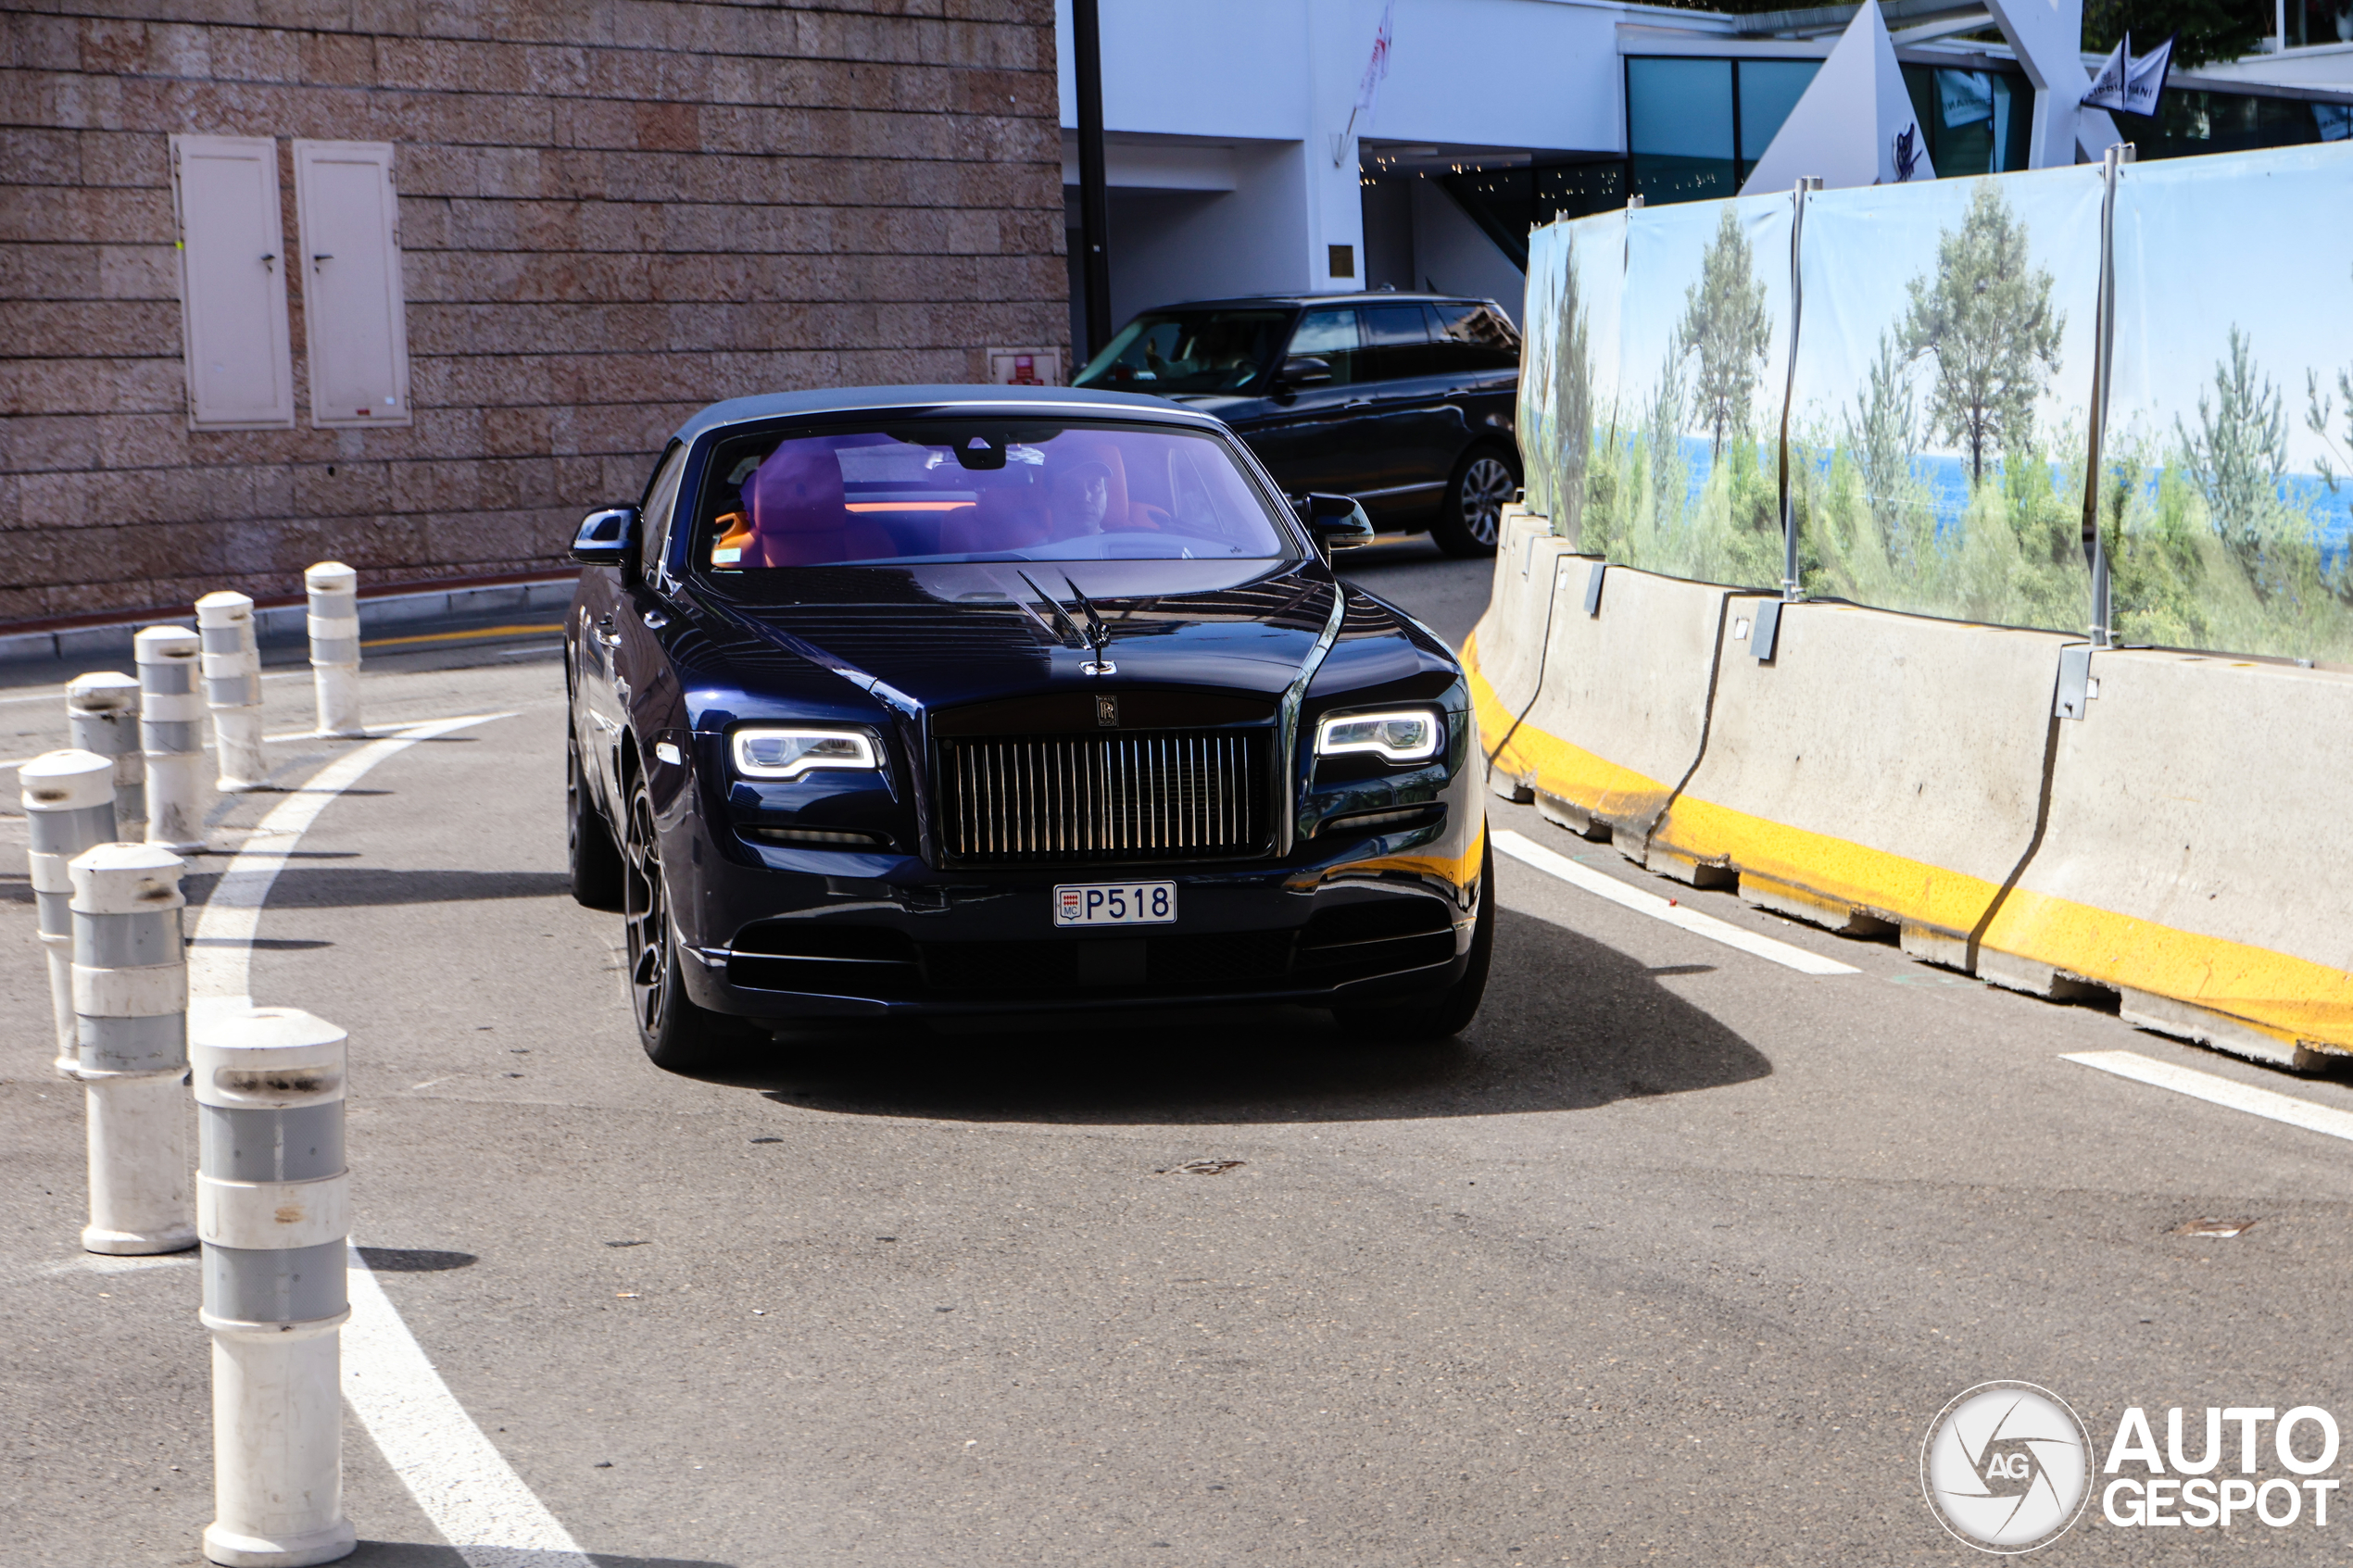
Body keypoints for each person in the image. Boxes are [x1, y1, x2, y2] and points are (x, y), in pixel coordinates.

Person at [1051, 459, 1114, 537]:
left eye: (1094, 486)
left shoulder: (1124, 547)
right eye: (1071, 487)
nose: (1085, 497)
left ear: (1106, 494)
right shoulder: (1035, 549)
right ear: (1049, 498)